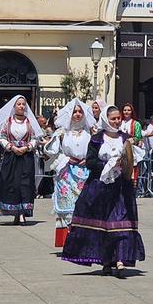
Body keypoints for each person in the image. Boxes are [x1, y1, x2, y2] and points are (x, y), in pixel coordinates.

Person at [62, 106, 146, 277]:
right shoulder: (96, 139)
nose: (116, 121)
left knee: (121, 224)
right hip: (99, 187)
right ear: (106, 120)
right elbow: (90, 161)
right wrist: (107, 165)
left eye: (118, 118)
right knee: (102, 226)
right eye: (113, 118)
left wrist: (124, 164)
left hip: (121, 188)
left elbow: (132, 159)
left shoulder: (125, 139)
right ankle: (106, 261)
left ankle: (121, 261)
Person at [44, 99, 95, 248]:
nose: (78, 114)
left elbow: (98, 151)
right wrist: (67, 158)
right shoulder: (62, 132)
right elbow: (52, 152)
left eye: (80, 112)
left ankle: (85, 240)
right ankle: (68, 240)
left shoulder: (90, 131)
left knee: (86, 205)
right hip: (67, 173)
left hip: (86, 172)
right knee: (68, 205)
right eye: (75, 112)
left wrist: (88, 159)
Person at [0, 95, 43, 224]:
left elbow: (35, 139)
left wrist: (27, 147)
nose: (21, 107)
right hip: (11, 156)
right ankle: (15, 212)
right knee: (12, 184)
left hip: (26, 157)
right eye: (19, 104)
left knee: (25, 184)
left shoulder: (29, 123)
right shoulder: (8, 122)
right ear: (14, 107)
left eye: (23, 104)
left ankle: (22, 213)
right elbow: (2, 137)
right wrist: (11, 147)